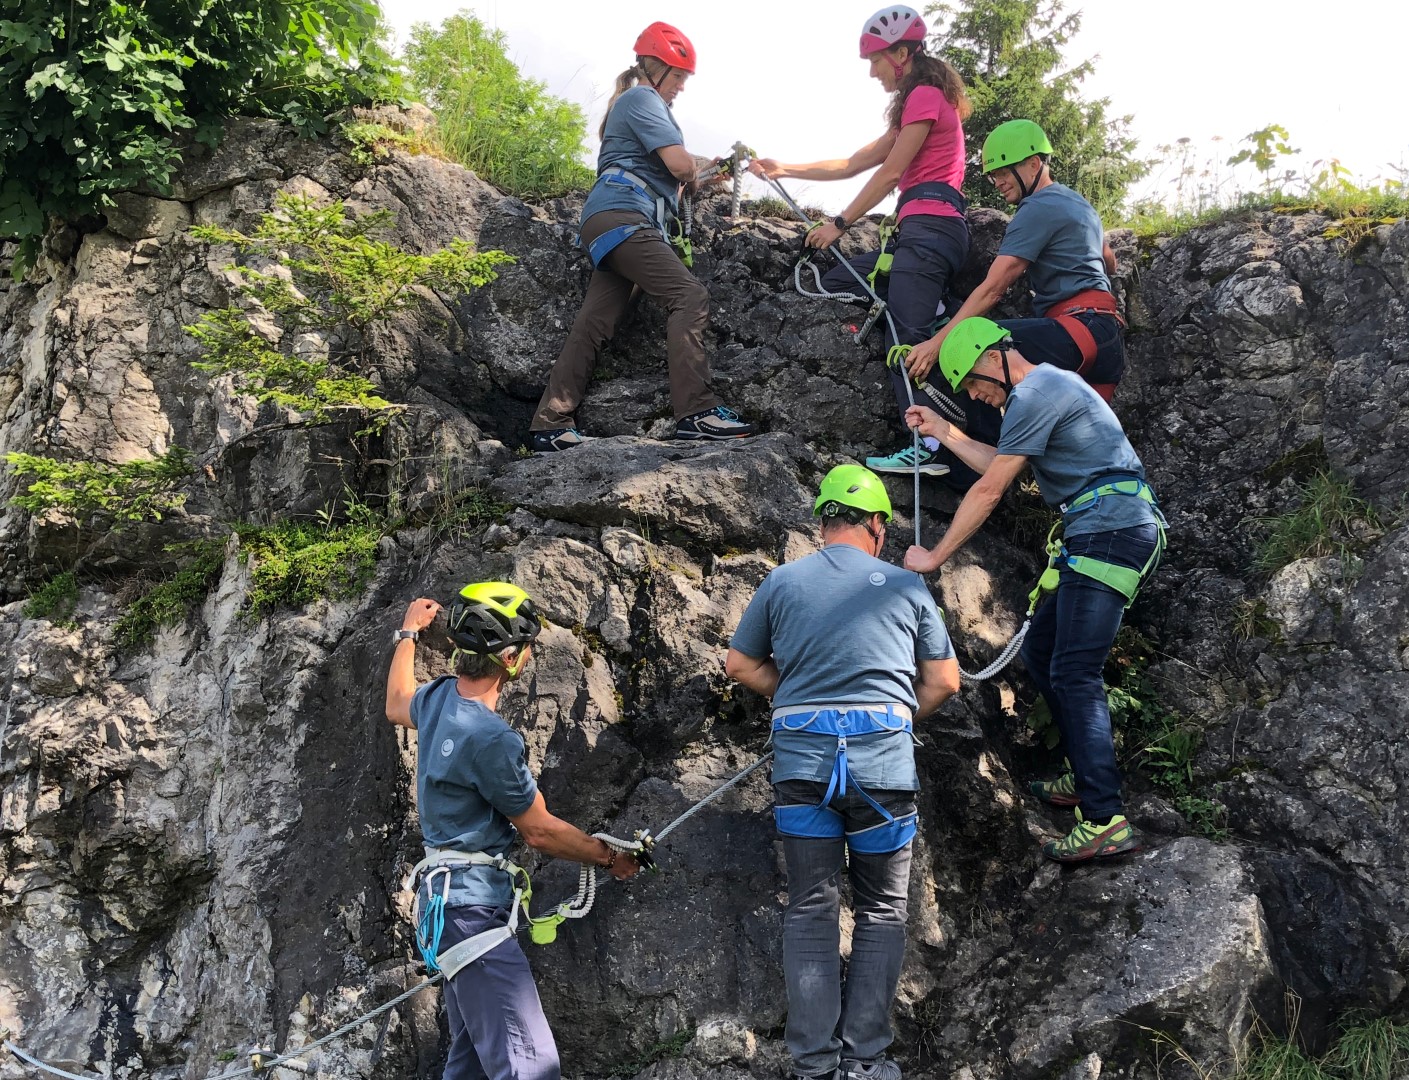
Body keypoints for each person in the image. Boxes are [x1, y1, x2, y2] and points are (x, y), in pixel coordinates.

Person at [901, 318, 1167, 863]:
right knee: (1045, 654)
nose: (973, 395)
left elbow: (992, 488)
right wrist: (944, 433)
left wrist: (934, 556)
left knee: (1074, 671)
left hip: (1111, 531)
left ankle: (1103, 817)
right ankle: (1084, 772)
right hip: (1099, 529)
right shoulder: (1041, 392)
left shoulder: (1038, 391)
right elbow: (1001, 465)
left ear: (993, 358)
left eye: (972, 384)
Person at [726, 465, 961, 1080]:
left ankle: (814, 1066)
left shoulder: (781, 582)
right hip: (881, 767)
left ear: (823, 522)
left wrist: (797, 693)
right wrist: (895, 714)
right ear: (878, 525)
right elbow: (944, 681)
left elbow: (740, 664)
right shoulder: (906, 587)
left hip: (803, 763)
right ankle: (865, 1062)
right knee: (883, 908)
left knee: (810, 906)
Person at [385, 582, 641, 1079]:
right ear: (510, 657)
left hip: (446, 913)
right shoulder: (491, 738)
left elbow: (398, 702)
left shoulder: (437, 699)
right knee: (530, 1065)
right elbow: (540, 831)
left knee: (474, 1065)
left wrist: (408, 633)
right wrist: (609, 857)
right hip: (473, 914)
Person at [748, 5, 994, 487]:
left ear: (902, 54)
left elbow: (892, 172)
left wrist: (840, 223)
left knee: (903, 340)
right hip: (917, 236)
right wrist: (785, 169)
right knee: (834, 277)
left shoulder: (925, 95)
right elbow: (854, 162)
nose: (872, 69)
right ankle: (928, 306)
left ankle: (928, 445)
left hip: (929, 230)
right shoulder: (918, 104)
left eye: (876, 59)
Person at [529, 22, 756, 452]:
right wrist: (698, 167)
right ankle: (697, 412)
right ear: (657, 70)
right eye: (679, 78)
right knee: (689, 297)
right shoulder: (642, 97)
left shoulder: (638, 104)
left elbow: (682, 168)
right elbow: (676, 164)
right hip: (626, 218)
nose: (682, 88)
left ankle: (551, 421)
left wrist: (722, 167)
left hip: (609, 224)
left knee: (595, 323)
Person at [902, 119, 1126, 404]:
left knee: (973, 350)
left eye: (1004, 172)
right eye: (993, 175)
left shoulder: (1036, 207)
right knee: (1063, 436)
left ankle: (941, 445)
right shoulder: (1078, 203)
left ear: (1034, 163)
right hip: (1106, 340)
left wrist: (937, 343)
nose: (998, 182)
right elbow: (1110, 261)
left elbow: (993, 289)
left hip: (1077, 331)